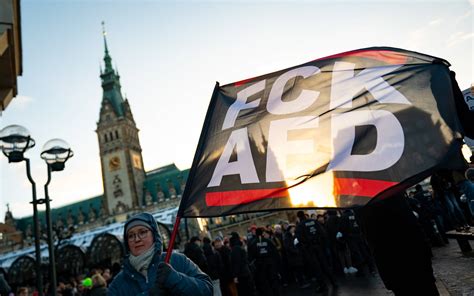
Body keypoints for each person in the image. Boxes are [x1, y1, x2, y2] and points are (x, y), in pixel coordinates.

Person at [108, 212, 212, 295]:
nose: (137, 239)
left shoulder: (177, 260)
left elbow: (207, 289)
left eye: (142, 232)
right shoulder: (117, 284)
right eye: (131, 236)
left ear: (154, 235)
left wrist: (176, 279)